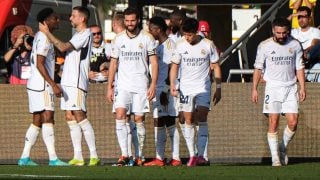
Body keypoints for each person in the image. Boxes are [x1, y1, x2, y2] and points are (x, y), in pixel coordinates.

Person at [39, 6, 99, 166]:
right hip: (67, 82)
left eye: (73, 16)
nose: (70, 19)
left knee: (79, 115)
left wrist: (47, 33)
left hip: (77, 82)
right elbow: (65, 51)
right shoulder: (77, 35)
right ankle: (78, 157)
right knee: (69, 117)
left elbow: (64, 47)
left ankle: (94, 155)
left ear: (82, 18)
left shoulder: (86, 33)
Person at [107, 7, 158, 166]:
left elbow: (154, 63)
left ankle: (139, 155)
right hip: (122, 86)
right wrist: (109, 86)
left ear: (138, 20)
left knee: (139, 119)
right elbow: (113, 63)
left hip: (141, 85)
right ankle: (124, 154)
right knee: (120, 116)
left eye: (132, 20)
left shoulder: (147, 38)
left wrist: (153, 84)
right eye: (127, 21)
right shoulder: (118, 39)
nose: (129, 23)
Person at [252, 17, 306, 166]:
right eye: (278, 33)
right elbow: (258, 68)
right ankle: (275, 157)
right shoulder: (264, 46)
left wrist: (302, 87)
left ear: (288, 31)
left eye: (284, 32)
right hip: (273, 88)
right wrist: (254, 89)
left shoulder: (295, 45)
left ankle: (282, 147)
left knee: (293, 122)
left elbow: (299, 68)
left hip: (290, 87)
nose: (281, 36)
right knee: (273, 121)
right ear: (273, 31)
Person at [18, 8, 68, 166]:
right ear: (46, 21)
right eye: (55, 18)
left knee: (37, 120)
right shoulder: (45, 38)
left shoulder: (40, 36)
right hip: (43, 85)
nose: (58, 20)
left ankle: (24, 157)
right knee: (48, 118)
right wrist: (53, 84)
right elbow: (40, 63)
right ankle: (53, 158)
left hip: (34, 84)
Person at [170, 18, 221, 167]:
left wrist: (218, 88)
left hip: (203, 87)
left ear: (196, 31)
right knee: (189, 119)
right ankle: (192, 155)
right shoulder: (180, 45)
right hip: (186, 88)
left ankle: (201, 156)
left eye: (189, 35)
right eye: (185, 34)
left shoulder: (208, 45)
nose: (187, 38)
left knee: (202, 116)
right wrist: (173, 84)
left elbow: (216, 67)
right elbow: (174, 67)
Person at [144, 16, 181, 167]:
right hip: (158, 88)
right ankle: (160, 157)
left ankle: (175, 157)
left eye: (151, 28)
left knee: (169, 122)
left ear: (157, 30)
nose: (148, 31)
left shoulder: (170, 46)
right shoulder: (156, 45)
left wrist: (166, 89)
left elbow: (173, 68)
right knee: (159, 122)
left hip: (166, 90)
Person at [290, 6, 320, 81]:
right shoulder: (293, 31)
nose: (300, 20)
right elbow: (280, 26)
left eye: (303, 17)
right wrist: (293, 15)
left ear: (309, 19)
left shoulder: (315, 31)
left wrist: (305, 53)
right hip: (295, 59)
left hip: (310, 59)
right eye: (299, 17)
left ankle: (306, 57)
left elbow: (314, 45)